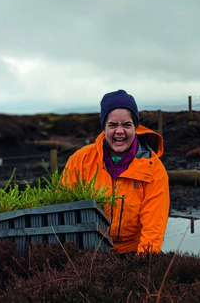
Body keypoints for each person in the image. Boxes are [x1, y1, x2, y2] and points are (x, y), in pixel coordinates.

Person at [62, 89, 170, 254]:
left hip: (133, 252)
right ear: (104, 127)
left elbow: (154, 226)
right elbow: (64, 210)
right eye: (112, 125)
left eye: (127, 124)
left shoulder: (153, 168)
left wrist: (144, 265)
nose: (119, 131)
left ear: (136, 127)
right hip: (88, 249)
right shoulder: (80, 160)